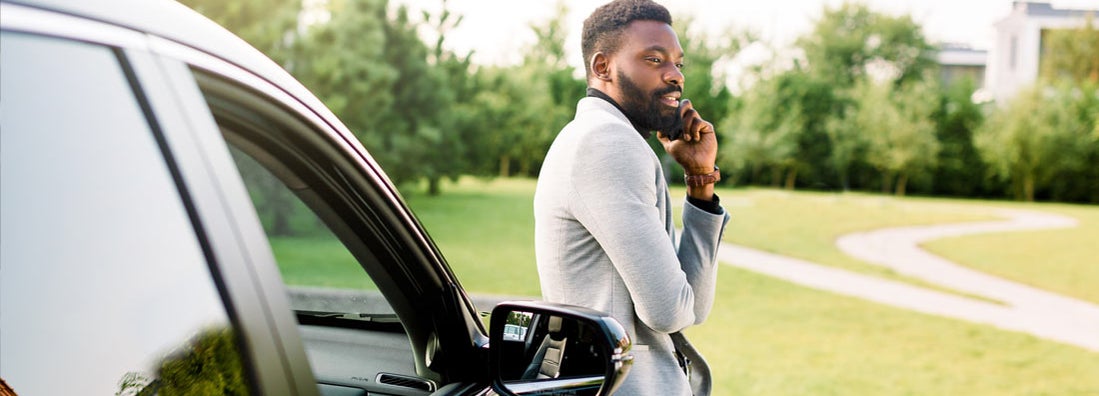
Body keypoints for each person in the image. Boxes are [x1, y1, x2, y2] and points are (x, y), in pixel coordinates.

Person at [533, 0, 730, 394]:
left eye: (678, 63)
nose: (675, 76)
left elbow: (691, 306)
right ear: (602, 67)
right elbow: (669, 311)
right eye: (655, 60)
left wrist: (700, 181)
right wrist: (680, 308)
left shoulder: (594, 136)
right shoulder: (607, 143)